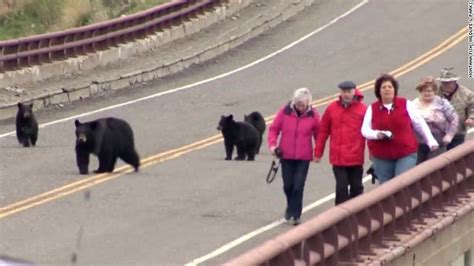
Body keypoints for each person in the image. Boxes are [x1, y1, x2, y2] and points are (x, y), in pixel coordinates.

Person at [361, 74, 438, 184]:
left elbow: (420, 124)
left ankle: (406, 201)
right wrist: (377, 134)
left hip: (406, 152)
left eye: (390, 87)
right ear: (379, 91)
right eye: (383, 87)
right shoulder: (372, 108)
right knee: (386, 187)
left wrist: (431, 141)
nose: (387, 89)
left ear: (394, 89)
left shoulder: (406, 104)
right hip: (381, 156)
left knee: (400, 182)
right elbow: (365, 130)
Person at [268, 87, 320, 225]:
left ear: (308, 103)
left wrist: (318, 152)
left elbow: (319, 134)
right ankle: (290, 207)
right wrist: (273, 146)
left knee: (298, 185)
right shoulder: (284, 112)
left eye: (302, 105)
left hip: (303, 157)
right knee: (287, 185)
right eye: (298, 104)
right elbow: (274, 129)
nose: (300, 107)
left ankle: (295, 214)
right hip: (286, 155)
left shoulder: (313, 115)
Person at [313, 81, 367, 205]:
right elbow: (323, 131)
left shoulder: (363, 109)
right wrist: (318, 152)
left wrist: (373, 155)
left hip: (355, 157)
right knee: (341, 188)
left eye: (349, 92)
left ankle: (358, 216)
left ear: (354, 91)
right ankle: (340, 218)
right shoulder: (332, 108)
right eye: (344, 92)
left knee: (356, 188)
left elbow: (369, 132)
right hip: (338, 158)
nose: (346, 94)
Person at [413, 76, 458, 163]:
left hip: (438, 144)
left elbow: (454, 119)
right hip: (419, 145)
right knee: (419, 169)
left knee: (435, 167)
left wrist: (449, 135)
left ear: (434, 91)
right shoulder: (413, 105)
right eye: (424, 90)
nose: (427, 93)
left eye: (430, 90)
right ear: (420, 91)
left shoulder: (442, 103)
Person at [436, 67, 474, 150]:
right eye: (443, 82)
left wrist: (471, 118)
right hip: (439, 134)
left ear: (454, 81)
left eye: (448, 82)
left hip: (458, 133)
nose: (445, 85)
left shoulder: (466, 94)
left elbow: (472, 108)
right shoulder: (435, 94)